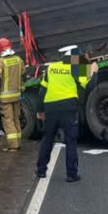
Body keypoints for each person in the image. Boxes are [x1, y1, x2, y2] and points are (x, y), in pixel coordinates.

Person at [36, 45, 89, 182]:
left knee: (47, 138)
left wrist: (40, 110)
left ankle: (41, 171)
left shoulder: (51, 68)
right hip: (68, 108)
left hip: (51, 108)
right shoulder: (76, 67)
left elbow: (42, 91)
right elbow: (89, 85)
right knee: (70, 140)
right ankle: (71, 174)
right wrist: (92, 71)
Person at [0, 37, 24, 152]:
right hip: (17, 95)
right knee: (16, 119)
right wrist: (21, 90)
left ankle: (13, 145)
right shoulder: (19, 60)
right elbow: (22, 76)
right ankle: (18, 142)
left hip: (5, 98)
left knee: (8, 120)